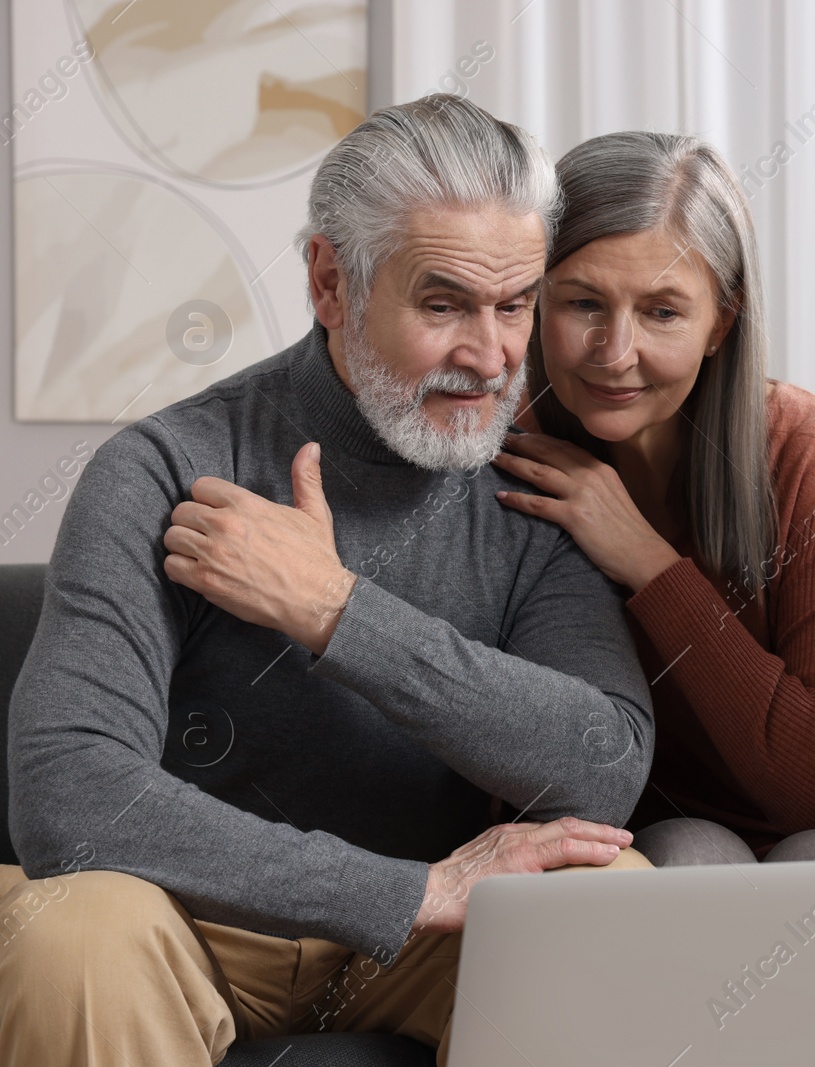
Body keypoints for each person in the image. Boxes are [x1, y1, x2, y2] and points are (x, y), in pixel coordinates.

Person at [0, 95, 654, 1067]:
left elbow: (606, 760)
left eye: (514, 303)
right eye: (443, 304)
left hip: (428, 940)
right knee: (68, 930)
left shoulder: (535, 485)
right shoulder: (163, 466)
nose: (490, 355)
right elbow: (70, 794)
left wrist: (337, 612)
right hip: (187, 921)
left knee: (615, 897)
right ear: (330, 282)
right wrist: (402, 889)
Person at [492, 130, 815, 864]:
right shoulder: (503, 456)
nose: (615, 352)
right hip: (640, 847)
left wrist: (649, 564)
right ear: (538, 300)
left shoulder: (808, 449)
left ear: (719, 324)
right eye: (583, 303)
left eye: (662, 312)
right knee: (695, 856)